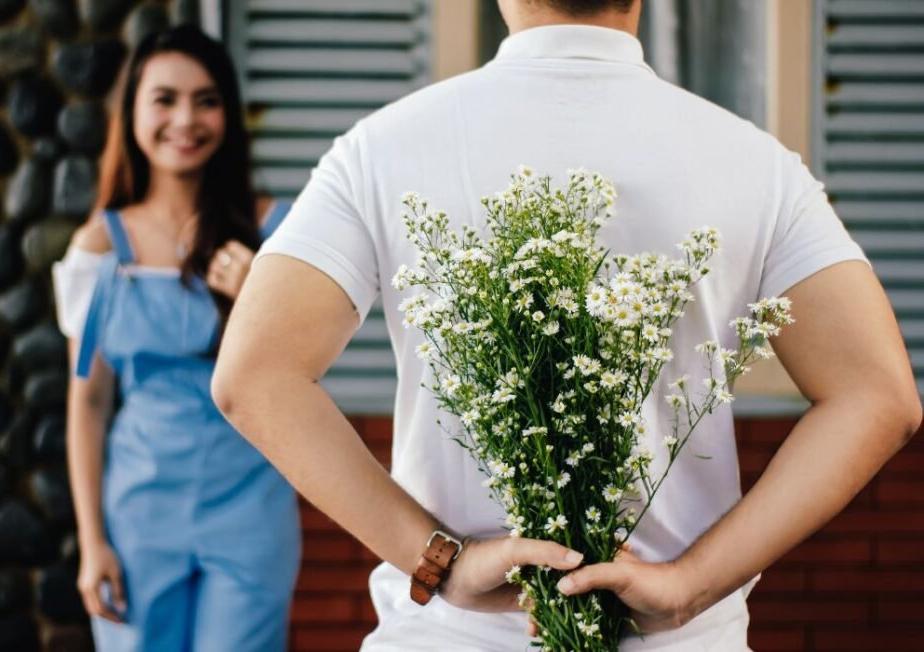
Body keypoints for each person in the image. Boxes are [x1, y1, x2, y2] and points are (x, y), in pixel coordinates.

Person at [211, 0, 922, 650]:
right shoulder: (757, 163)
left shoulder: (382, 148)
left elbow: (254, 375)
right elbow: (879, 396)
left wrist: (440, 562)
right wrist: (691, 584)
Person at [53, 26, 299, 652]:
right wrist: (92, 542)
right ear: (132, 110)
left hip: (252, 508)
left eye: (207, 99)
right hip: (138, 514)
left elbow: (307, 377)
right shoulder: (101, 245)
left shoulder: (276, 231)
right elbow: (87, 401)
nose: (185, 119)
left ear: (229, 114)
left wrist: (257, 304)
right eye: (164, 99)